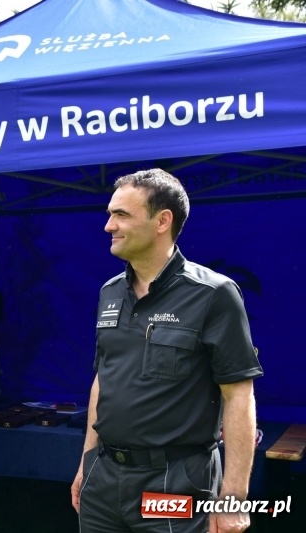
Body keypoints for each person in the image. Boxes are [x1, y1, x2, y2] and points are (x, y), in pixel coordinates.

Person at [71, 169, 263, 532]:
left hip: (173, 482)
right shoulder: (109, 292)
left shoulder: (214, 294)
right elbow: (104, 380)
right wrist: (86, 462)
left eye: (121, 215)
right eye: (110, 214)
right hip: (103, 478)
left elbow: (239, 395)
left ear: (162, 221)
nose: (108, 226)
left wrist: (234, 497)